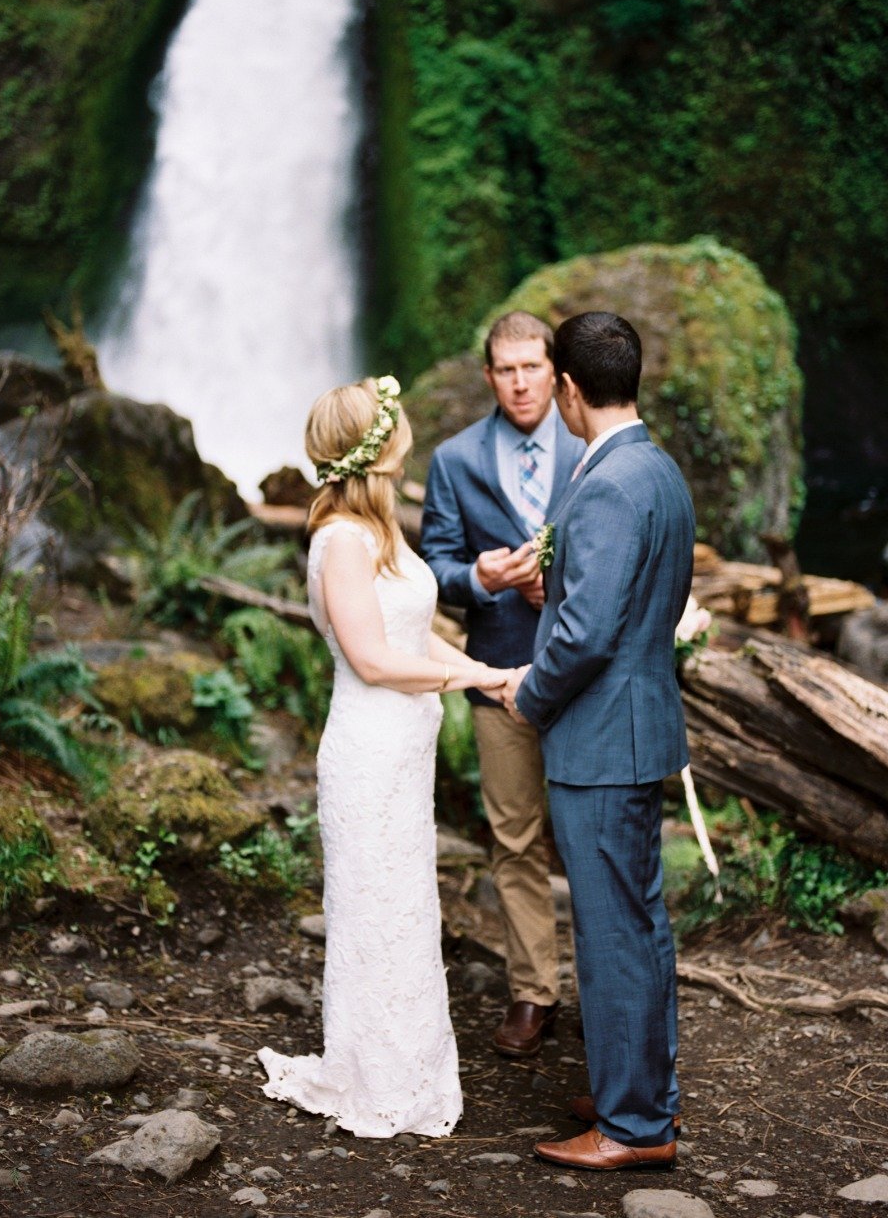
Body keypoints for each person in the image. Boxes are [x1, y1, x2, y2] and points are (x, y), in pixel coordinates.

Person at [259, 376, 509, 1138]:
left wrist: (480, 671)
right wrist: (472, 675)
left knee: (408, 908)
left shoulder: (384, 527)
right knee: (376, 911)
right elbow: (370, 659)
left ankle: (411, 1069)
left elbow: (409, 635)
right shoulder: (339, 539)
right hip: (368, 749)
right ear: (379, 443)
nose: (407, 430)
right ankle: (374, 1075)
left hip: (407, 748)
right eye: (395, 421)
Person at [501, 311, 695, 1172]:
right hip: (638, 725)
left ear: (570, 390)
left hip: (601, 740)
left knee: (614, 931)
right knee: (641, 923)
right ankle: (643, 1094)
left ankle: (631, 1127)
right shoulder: (659, 469)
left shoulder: (611, 482)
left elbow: (584, 633)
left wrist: (530, 695)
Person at [420, 312, 585, 1056]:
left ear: (555, 370)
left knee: (589, 840)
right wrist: (481, 578)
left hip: (584, 679)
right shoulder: (455, 460)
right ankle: (532, 991)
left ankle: (608, 995)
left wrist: (568, 587)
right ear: (488, 375)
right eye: (505, 369)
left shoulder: (591, 449)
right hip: (498, 678)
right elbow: (435, 569)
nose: (519, 381)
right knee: (514, 838)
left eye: (531, 366)